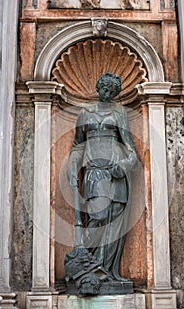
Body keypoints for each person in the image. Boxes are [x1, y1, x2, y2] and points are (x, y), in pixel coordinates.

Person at [67, 72, 139, 282]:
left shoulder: (119, 113)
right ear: (98, 88)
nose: (107, 94)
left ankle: (106, 272)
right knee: (97, 216)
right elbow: (77, 146)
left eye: (112, 91)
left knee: (114, 222)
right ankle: (87, 266)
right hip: (94, 173)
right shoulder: (85, 113)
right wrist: (73, 167)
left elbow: (131, 149)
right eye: (105, 89)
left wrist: (124, 165)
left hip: (115, 176)